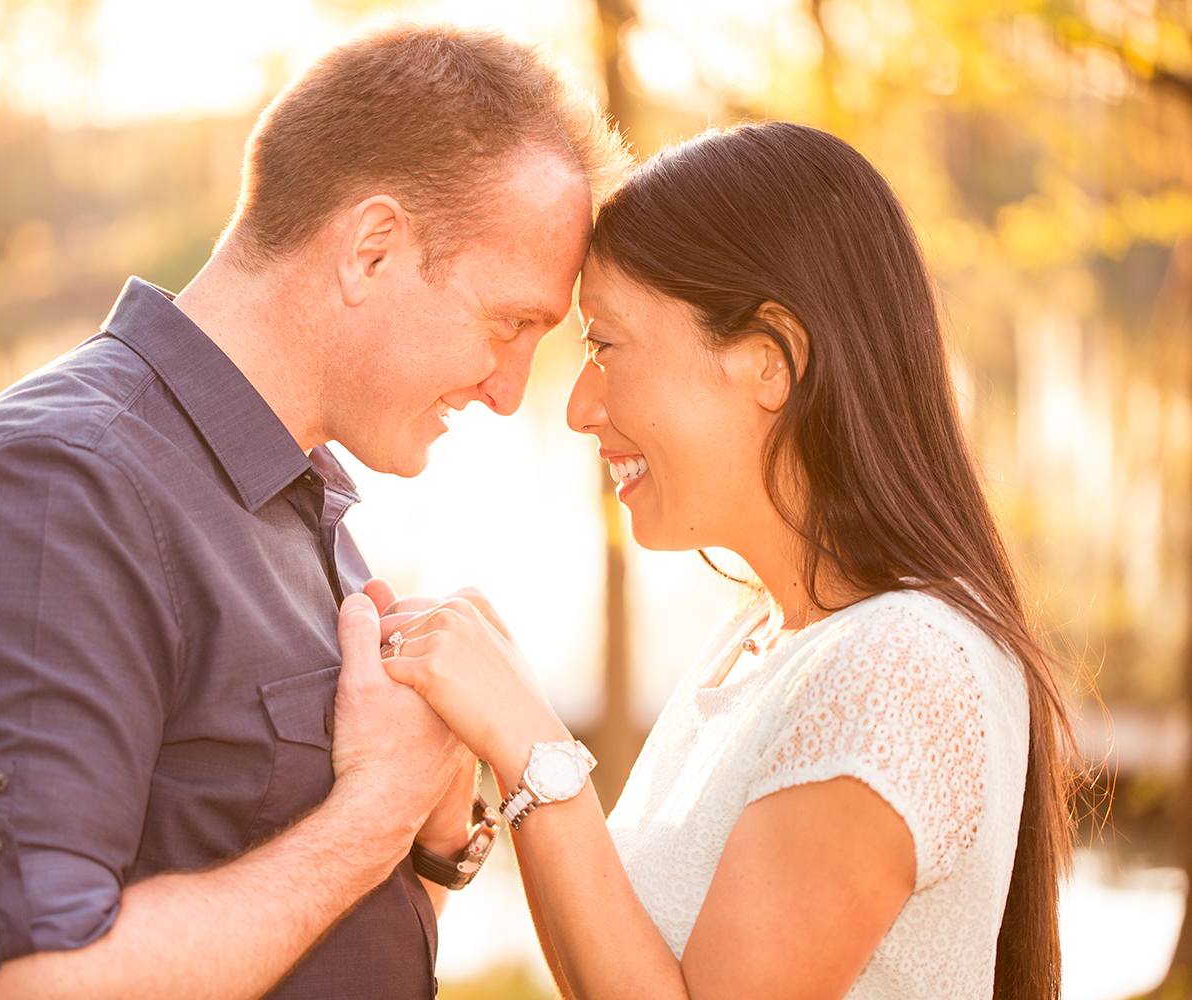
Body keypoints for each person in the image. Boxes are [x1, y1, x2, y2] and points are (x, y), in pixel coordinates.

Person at [0, 20, 628, 1000]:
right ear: (372, 249)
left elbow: (324, 940)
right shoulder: (57, 491)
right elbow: (22, 986)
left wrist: (436, 840)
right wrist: (377, 811)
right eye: (509, 322)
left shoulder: (293, 502)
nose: (513, 391)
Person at [372, 121, 1076, 1000]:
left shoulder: (901, 666)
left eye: (606, 346)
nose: (578, 407)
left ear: (768, 364)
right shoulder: (765, 640)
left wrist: (533, 747)